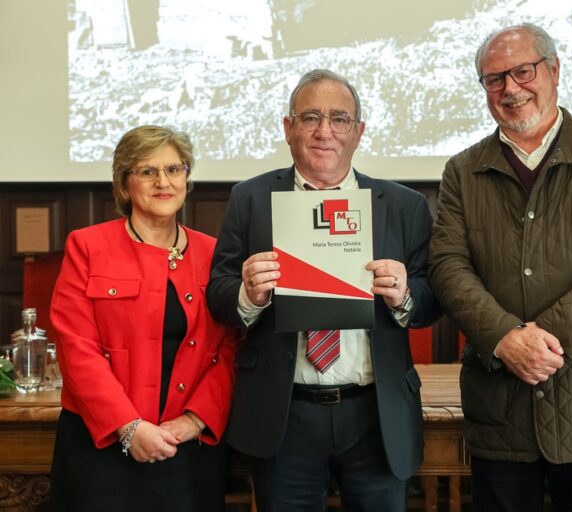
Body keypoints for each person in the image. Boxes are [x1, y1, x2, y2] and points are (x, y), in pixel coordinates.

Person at [429, 24, 572, 512]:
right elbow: (448, 268)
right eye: (495, 79)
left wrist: (546, 337)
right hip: (500, 406)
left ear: (553, 71)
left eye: (523, 71)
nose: (511, 88)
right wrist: (506, 338)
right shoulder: (461, 170)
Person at [207, 68, 440, 512]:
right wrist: (248, 295)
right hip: (284, 412)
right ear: (288, 129)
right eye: (310, 117)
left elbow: (433, 300)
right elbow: (218, 293)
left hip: (375, 413)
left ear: (359, 132)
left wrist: (404, 296)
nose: (324, 131)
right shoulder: (250, 199)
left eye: (339, 119)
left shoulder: (405, 206)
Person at [49, 125, 238, 511]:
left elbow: (232, 348)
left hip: (187, 450)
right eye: (147, 171)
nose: (163, 181)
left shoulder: (214, 253)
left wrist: (194, 421)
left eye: (174, 169)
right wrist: (128, 427)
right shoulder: (87, 246)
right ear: (123, 185)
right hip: (101, 447)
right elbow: (76, 348)